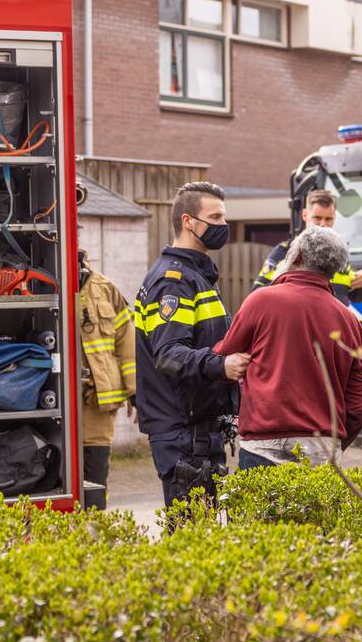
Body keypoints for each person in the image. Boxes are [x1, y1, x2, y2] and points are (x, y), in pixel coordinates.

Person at [215, 226, 362, 469]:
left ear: (297, 255)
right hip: (321, 446)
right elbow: (359, 397)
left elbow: (224, 358)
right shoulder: (348, 319)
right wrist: (335, 438)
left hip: (262, 442)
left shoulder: (260, 301)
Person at [134, 181, 250, 507]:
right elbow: (169, 354)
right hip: (184, 433)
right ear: (189, 222)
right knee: (190, 532)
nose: (223, 226)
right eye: (215, 217)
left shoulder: (196, 277)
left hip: (198, 429)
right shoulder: (174, 282)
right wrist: (222, 365)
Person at [251, 189, 362, 305]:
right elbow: (258, 293)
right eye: (317, 218)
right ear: (305, 215)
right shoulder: (285, 252)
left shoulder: (337, 254)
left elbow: (354, 295)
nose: (323, 224)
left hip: (335, 329)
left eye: (328, 219)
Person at [78, 248, 137, 489]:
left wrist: (135, 392)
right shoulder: (46, 283)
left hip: (96, 403)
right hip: (51, 403)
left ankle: (92, 525)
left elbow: (127, 344)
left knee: (95, 475)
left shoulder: (104, 288)